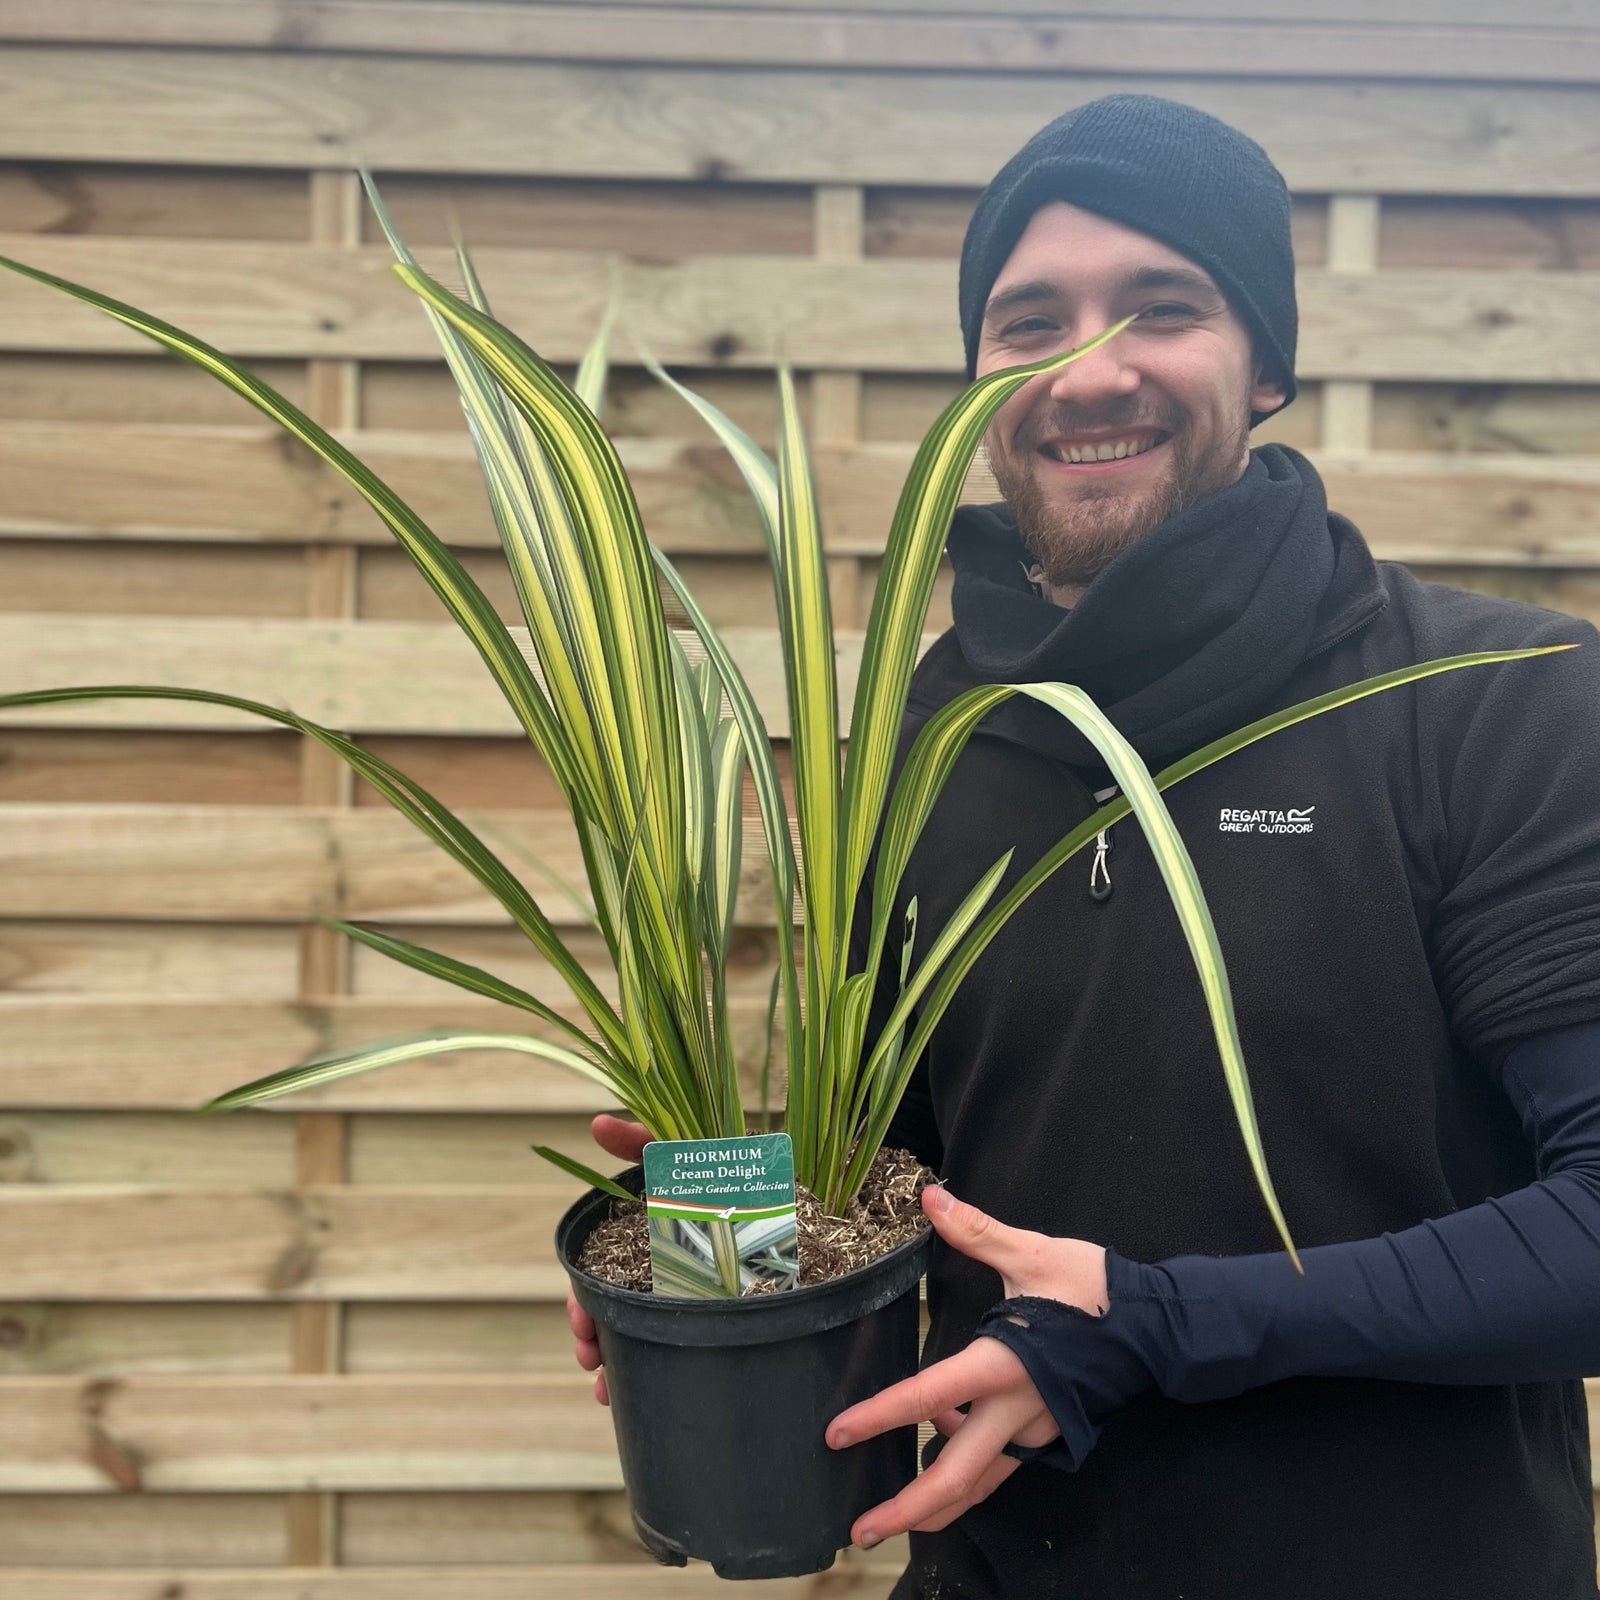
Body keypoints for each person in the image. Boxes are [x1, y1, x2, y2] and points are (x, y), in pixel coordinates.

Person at [571, 95, 1600, 1598]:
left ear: (1267, 367)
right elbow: (908, 1170)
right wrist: (718, 1252)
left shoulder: (1493, 701)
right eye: (1029, 321)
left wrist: (1153, 1323)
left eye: (1162, 307)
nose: (1086, 368)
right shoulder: (932, 731)